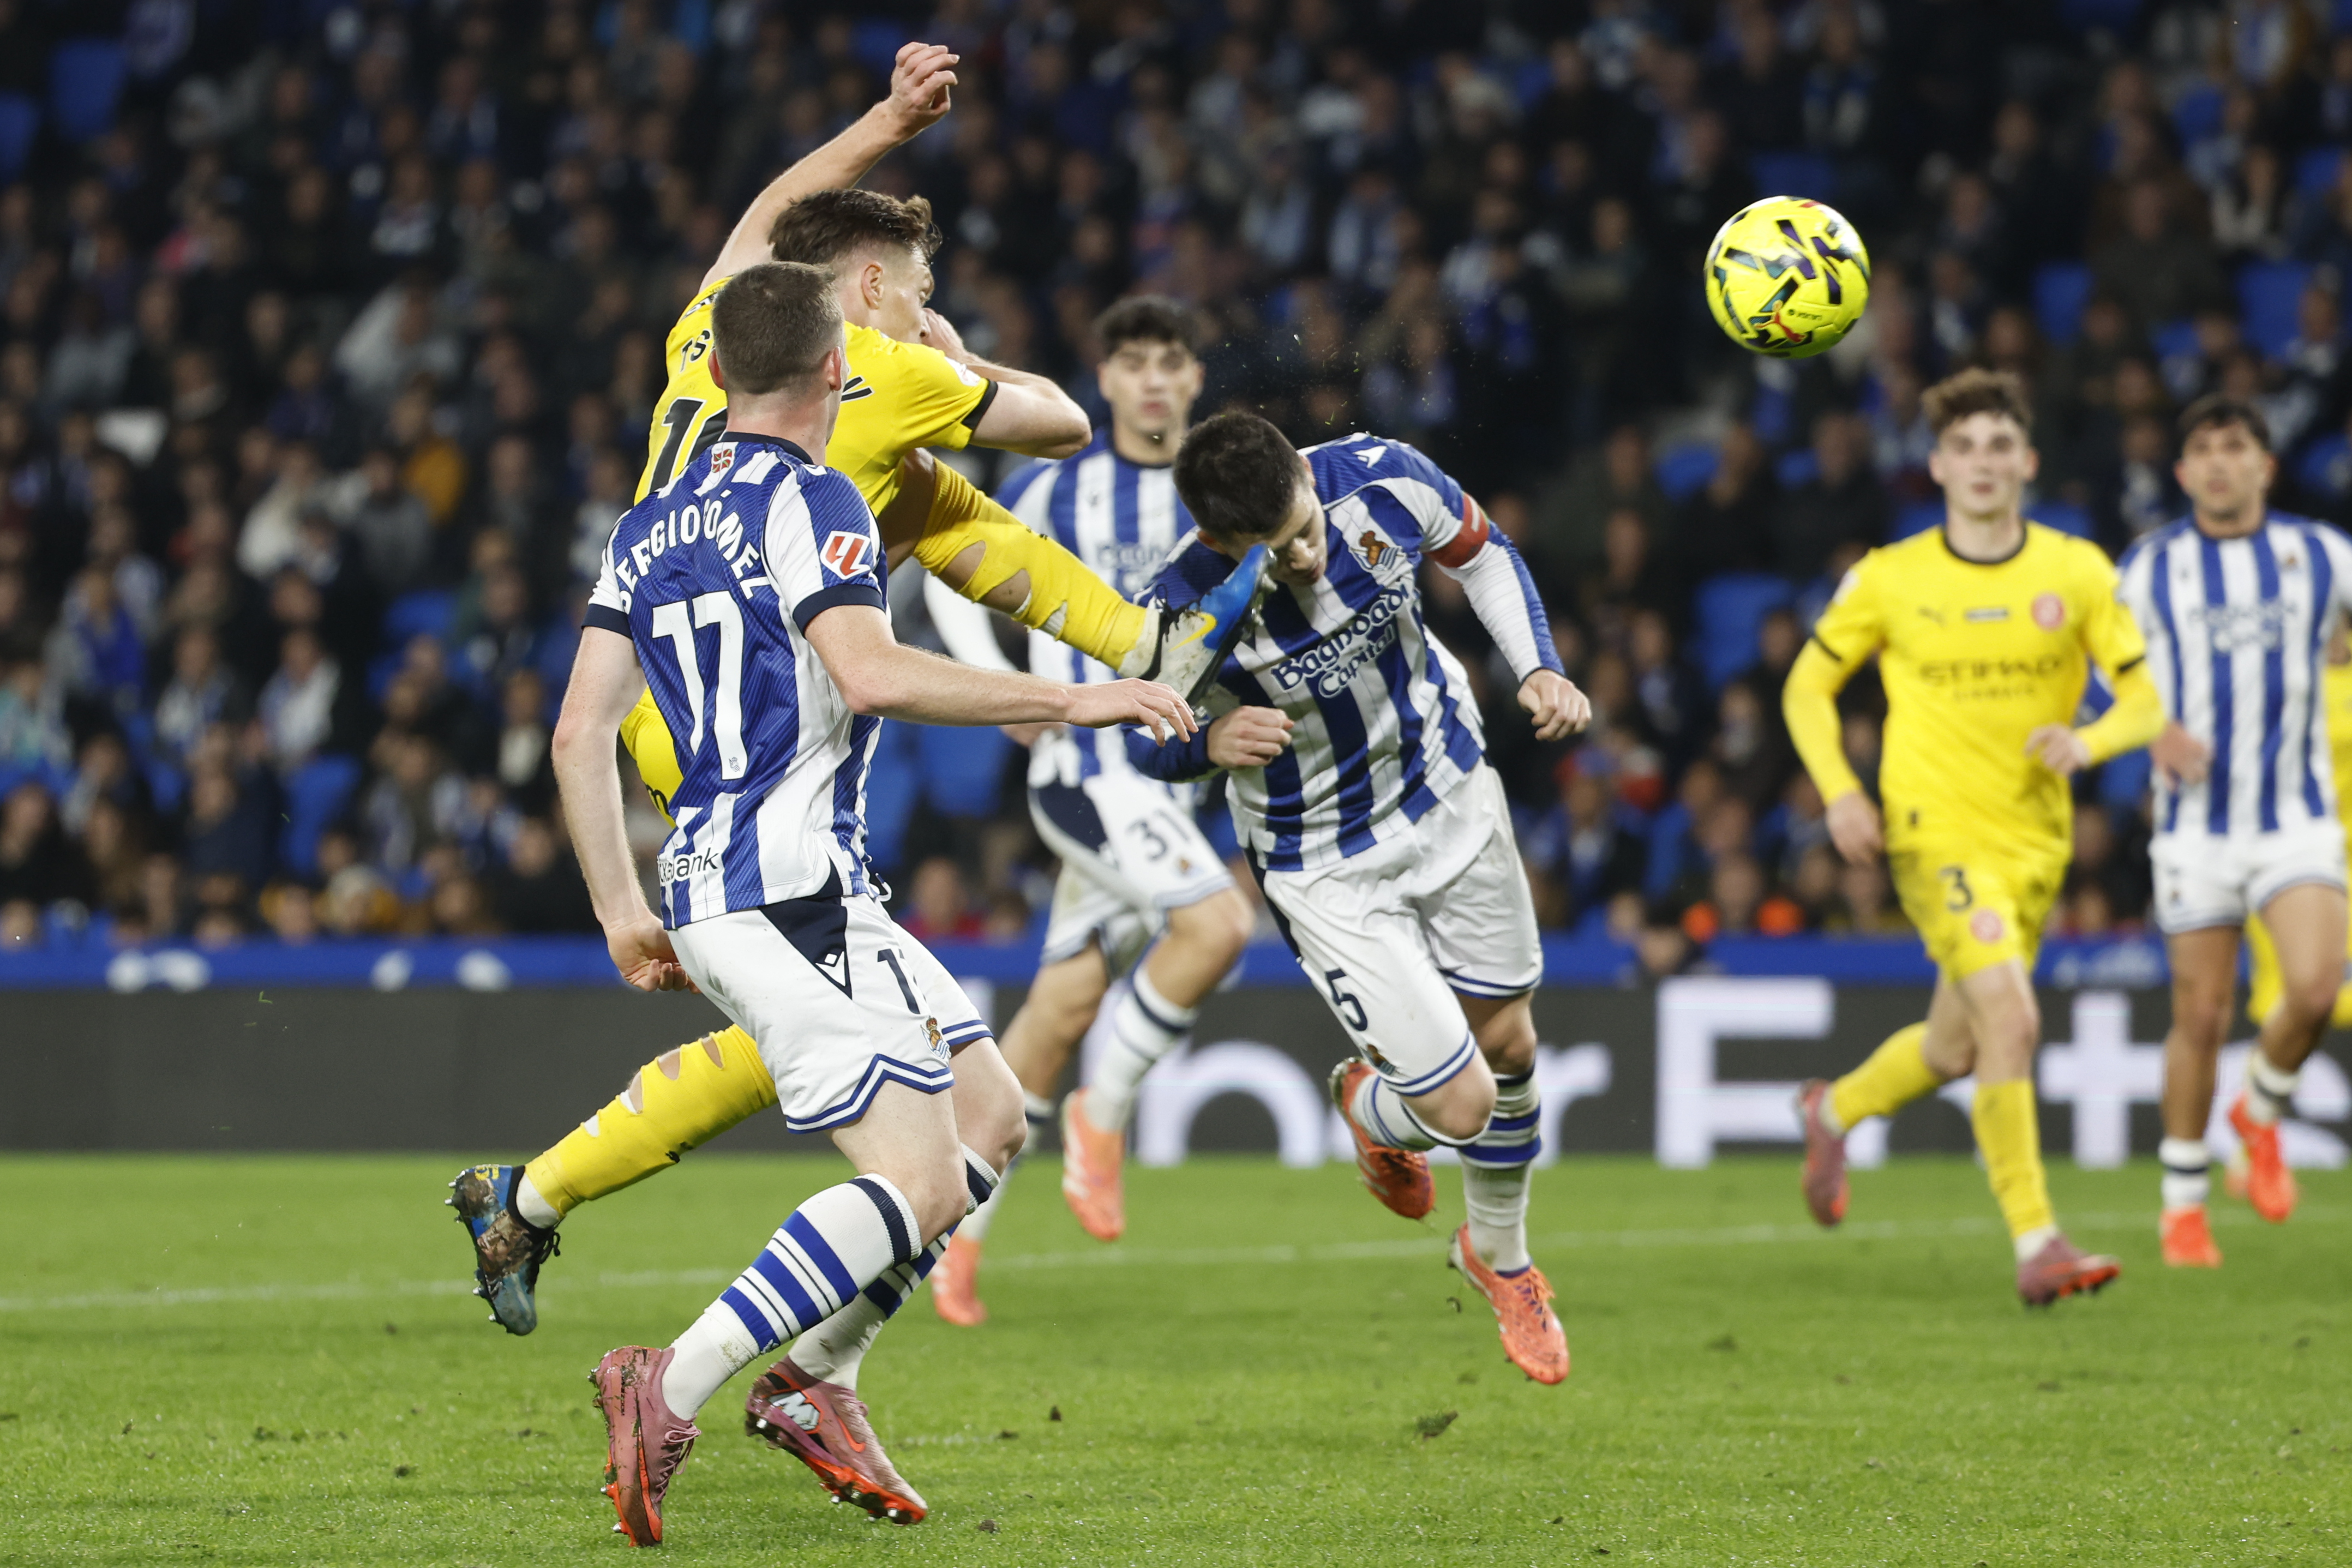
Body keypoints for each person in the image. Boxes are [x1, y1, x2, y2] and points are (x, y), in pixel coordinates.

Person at [448, 44, 1265, 1342]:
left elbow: (770, 224)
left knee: (796, 1024)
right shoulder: (885, 372)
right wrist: (953, 350)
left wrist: (884, 125)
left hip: (667, 678)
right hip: (758, 731)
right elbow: (1061, 423)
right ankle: (743, 1361)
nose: (923, 303)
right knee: (861, 1063)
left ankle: (529, 1195)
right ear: (870, 292)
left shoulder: (701, 345)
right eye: (919, 286)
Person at [550, 262, 1192, 1540]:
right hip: (778, 890)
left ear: (719, 372)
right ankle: (662, 1384)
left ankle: (815, 1378)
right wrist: (1078, 695)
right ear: (837, 365)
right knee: (916, 1185)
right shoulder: (822, 498)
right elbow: (874, 671)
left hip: (757, 885)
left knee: (992, 1119)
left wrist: (621, 907)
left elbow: (579, 734)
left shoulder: (651, 522)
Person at [1126, 412, 1591, 1384]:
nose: (1305, 551)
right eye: (1277, 549)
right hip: (1322, 858)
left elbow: (1486, 554)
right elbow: (1141, 732)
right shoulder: (1184, 599)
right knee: (1461, 1105)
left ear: (1304, 469)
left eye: (1304, 524)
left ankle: (1499, 1257)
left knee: (1510, 1045)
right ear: (1220, 544)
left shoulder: (1382, 478)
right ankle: (1373, 1110)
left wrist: (1537, 666)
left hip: (1451, 789)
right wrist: (1203, 744)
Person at [1786, 368, 2163, 1305]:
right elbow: (1806, 687)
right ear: (1937, 466)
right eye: (1965, 447)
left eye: (2001, 445)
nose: (1984, 462)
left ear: (2028, 461)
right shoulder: (1891, 576)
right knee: (2014, 1019)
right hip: (1931, 833)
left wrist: (2090, 737)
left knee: (1960, 1046)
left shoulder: (2078, 571)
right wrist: (1839, 792)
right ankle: (2039, 1242)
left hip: (2033, 847)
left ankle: (1831, 1109)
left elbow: (2149, 697)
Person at [918, 297, 1262, 1324]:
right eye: (1134, 365)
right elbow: (946, 574)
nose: (1154, 381)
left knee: (1057, 1014)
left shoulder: (1224, 496)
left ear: (1195, 380)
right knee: (1216, 925)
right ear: (1105, 381)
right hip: (1087, 768)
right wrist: (1006, 695)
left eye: (1172, 363)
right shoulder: (1058, 487)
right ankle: (1103, 1118)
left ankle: (950, 1237)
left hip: (1171, 781)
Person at [2117, 396, 2352, 1268]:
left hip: (2294, 817)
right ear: (2182, 474)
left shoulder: (2322, 556)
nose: (2220, 464)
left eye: (2236, 448)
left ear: (2266, 466)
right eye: (2204, 452)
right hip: (2194, 831)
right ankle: (2183, 1204)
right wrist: (2153, 729)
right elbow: (2097, 677)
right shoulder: (2148, 569)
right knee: (2203, 1014)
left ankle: (2260, 1107)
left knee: (2318, 986)